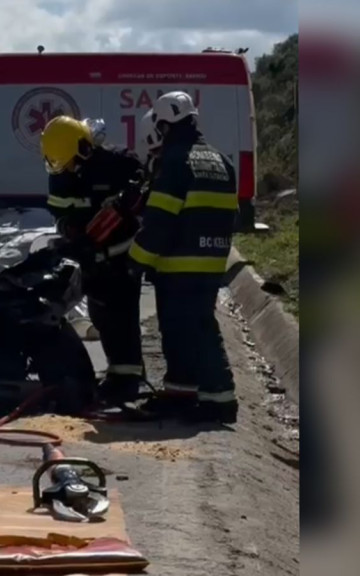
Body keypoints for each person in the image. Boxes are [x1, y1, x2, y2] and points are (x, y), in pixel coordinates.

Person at [128, 91, 239, 424]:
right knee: (191, 328)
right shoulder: (222, 160)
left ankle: (220, 400)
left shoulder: (175, 161)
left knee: (190, 331)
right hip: (211, 260)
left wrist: (136, 261)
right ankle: (181, 394)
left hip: (178, 264)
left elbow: (160, 220)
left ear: (164, 125)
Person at [40, 115, 148, 405]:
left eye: (73, 162)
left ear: (85, 149)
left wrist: (123, 213)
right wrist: (71, 232)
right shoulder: (61, 171)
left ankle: (128, 381)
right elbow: (59, 214)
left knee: (122, 316)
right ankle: (119, 373)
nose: (69, 170)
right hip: (88, 255)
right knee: (101, 316)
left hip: (122, 254)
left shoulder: (119, 164)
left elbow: (144, 210)